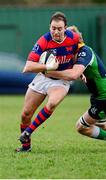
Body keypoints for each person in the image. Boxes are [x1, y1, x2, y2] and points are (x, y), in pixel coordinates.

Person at [41, 26, 106, 151]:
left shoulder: (85, 52)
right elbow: (76, 71)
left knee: (81, 127)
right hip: (103, 96)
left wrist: (49, 72)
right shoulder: (76, 53)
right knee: (100, 123)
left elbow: (73, 74)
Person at [16, 12, 83, 152]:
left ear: (65, 28)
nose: (56, 32)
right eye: (53, 28)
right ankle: (25, 147)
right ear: (49, 27)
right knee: (25, 114)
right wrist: (47, 66)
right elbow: (27, 67)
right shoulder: (44, 41)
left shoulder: (74, 39)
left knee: (52, 103)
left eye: (59, 29)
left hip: (62, 80)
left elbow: (81, 55)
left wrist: (80, 71)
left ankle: (28, 132)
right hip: (43, 77)